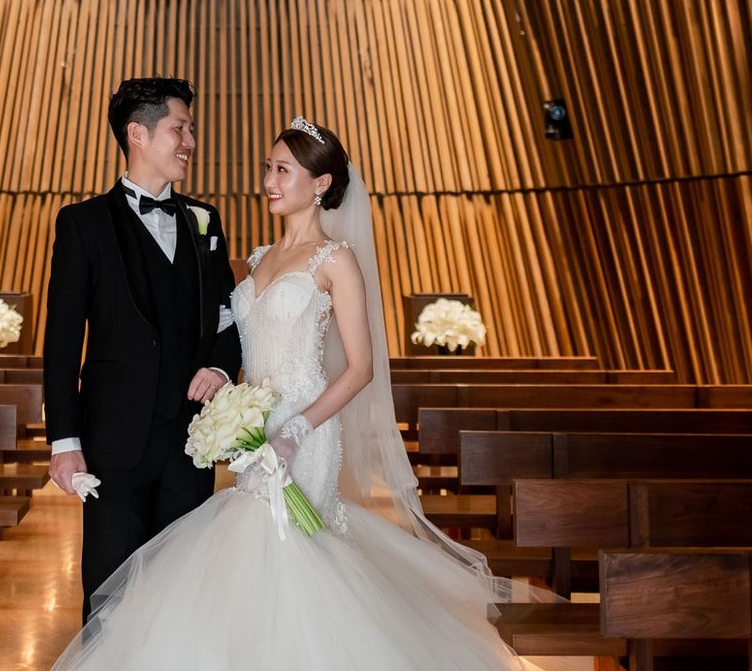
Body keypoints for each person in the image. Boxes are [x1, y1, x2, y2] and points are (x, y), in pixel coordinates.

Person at [51, 117, 558, 671]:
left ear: (320, 184)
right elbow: (225, 333)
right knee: (247, 571)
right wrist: (232, 404)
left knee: (295, 560)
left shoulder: (336, 259)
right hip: (256, 433)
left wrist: (295, 430)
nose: (268, 181)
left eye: (282, 171)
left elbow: (361, 369)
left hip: (305, 432)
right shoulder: (257, 258)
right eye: (268, 168)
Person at [43, 77, 242, 621]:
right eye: (181, 129)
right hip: (113, 446)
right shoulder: (82, 223)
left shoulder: (204, 220)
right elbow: (62, 340)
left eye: (190, 130)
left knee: (184, 596)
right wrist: (64, 441)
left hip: (190, 444)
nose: (191, 143)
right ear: (138, 134)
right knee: (110, 599)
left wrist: (221, 367)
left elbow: (228, 315)